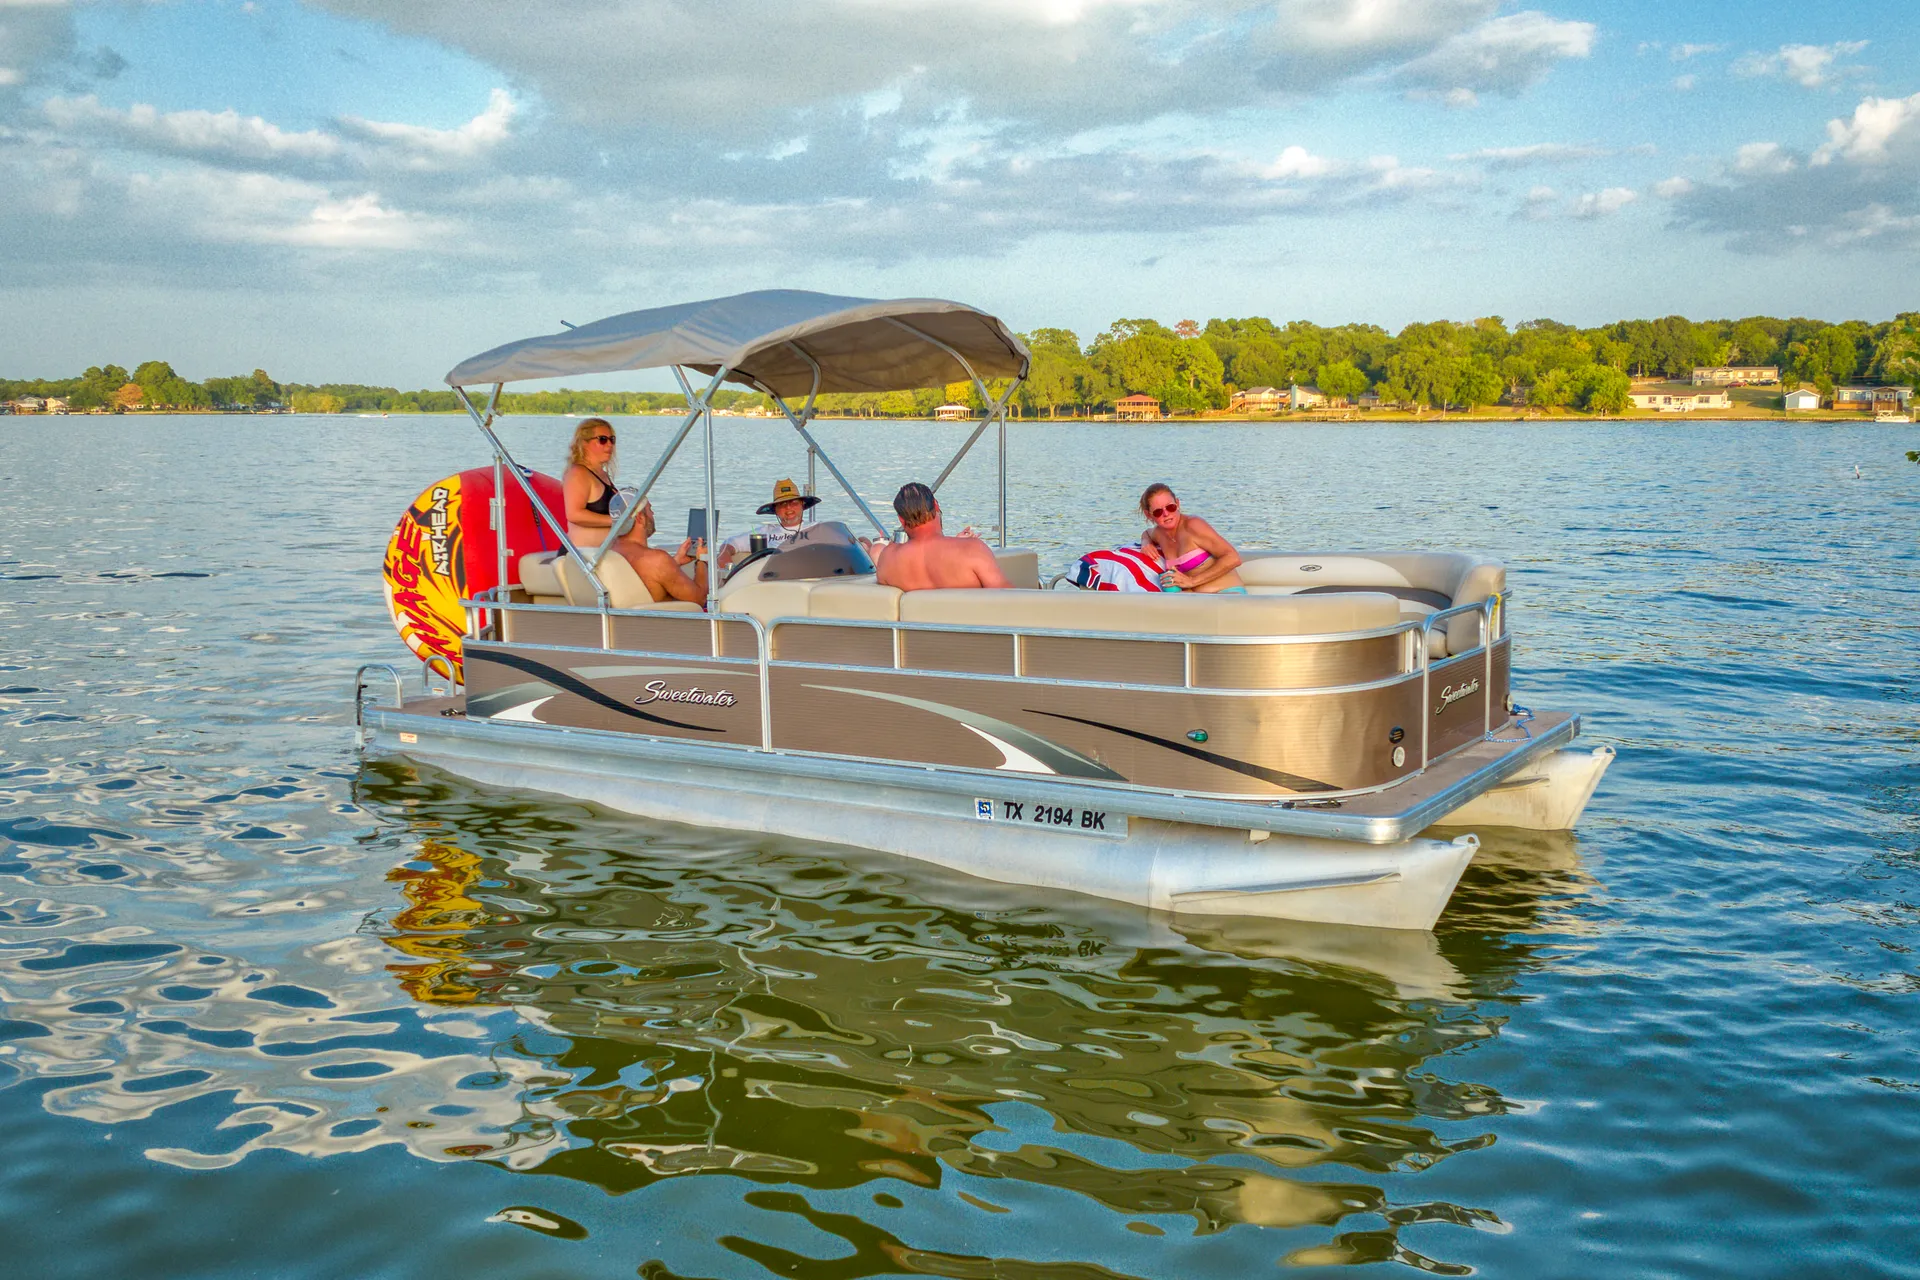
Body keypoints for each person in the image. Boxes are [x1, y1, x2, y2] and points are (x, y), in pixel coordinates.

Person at [874, 482, 1011, 591]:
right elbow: (1007, 600)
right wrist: (960, 545)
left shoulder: (888, 559)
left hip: (917, 626)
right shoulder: (972, 550)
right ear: (936, 505)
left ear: (901, 520)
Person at [1138, 482, 1245, 593]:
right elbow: (1146, 533)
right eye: (1158, 512)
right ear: (1148, 515)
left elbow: (1233, 557)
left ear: (1178, 504)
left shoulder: (1193, 525)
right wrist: (1146, 543)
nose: (1166, 514)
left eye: (1170, 507)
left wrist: (1192, 581)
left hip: (1229, 595)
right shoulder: (1159, 534)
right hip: (1198, 603)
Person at [618, 498, 711, 606]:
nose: (653, 513)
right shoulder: (656, 559)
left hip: (628, 618)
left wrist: (674, 562)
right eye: (650, 509)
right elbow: (700, 599)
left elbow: (646, 577)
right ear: (640, 518)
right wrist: (702, 560)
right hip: (663, 619)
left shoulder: (610, 550)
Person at [717, 478, 819, 571]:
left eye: (794, 503)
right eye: (782, 504)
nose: (788, 508)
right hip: (772, 579)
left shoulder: (818, 528)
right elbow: (729, 543)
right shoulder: (764, 533)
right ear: (776, 510)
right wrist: (724, 561)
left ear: (802, 505)